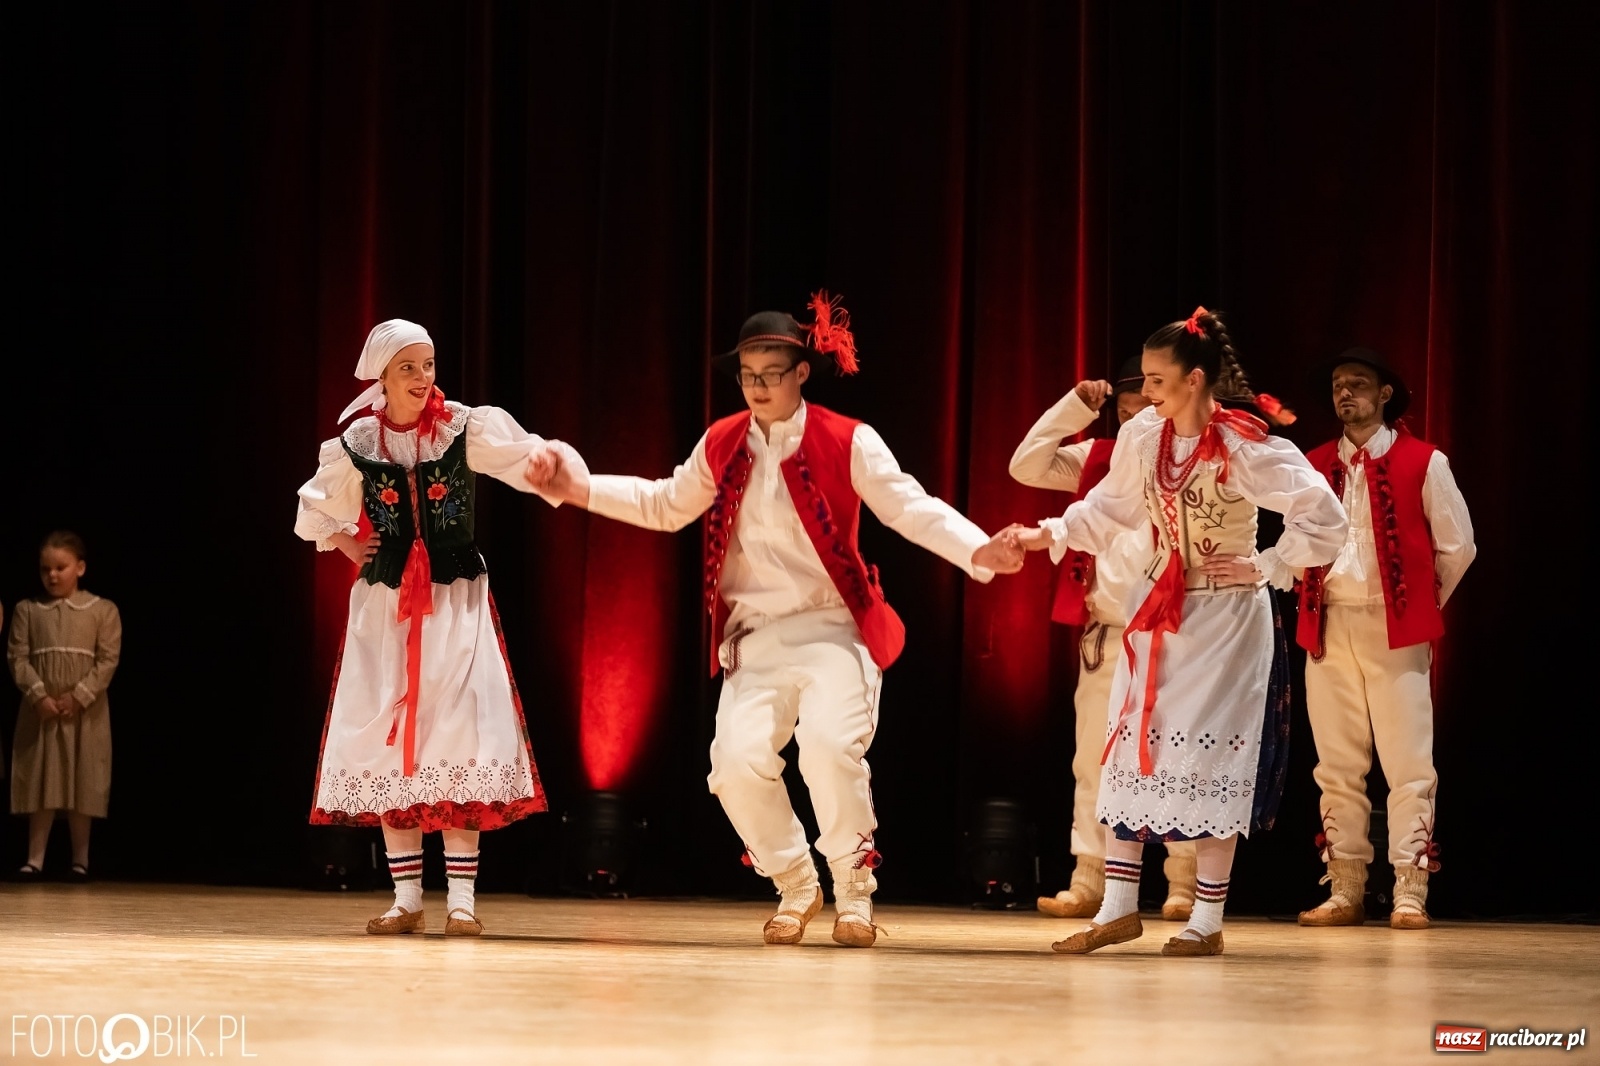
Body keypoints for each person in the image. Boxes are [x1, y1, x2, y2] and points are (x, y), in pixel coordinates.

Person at [529, 293, 1025, 947]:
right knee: (733, 764)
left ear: (801, 373)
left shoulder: (848, 441)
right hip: (757, 637)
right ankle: (795, 883)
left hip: (833, 630)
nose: (758, 387)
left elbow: (909, 507)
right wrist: (577, 486)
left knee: (826, 749)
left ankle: (853, 891)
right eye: (748, 375)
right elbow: (664, 504)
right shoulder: (723, 442)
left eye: (770, 373)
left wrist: (978, 550)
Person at [1015, 307, 1347, 956]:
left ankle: (1206, 920)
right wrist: (1043, 535)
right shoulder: (1144, 437)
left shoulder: (1245, 443)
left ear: (1195, 380)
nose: (1147, 393)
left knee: (1208, 760)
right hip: (1159, 607)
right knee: (1127, 747)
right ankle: (1117, 906)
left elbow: (1325, 518)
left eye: (1159, 381)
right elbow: (1107, 510)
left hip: (1226, 621)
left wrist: (1270, 562)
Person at [295, 319, 564, 936]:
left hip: (454, 598)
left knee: (458, 731)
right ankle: (408, 898)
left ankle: (463, 902)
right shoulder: (358, 441)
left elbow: (525, 458)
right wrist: (344, 542)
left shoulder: (462, 427)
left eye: (429, 365)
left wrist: (555, 466)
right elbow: (314, 507)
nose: (423, 378)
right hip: (386, 605)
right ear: (382, 376)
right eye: (409, 368)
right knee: (396, 738)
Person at [1009, 358, 1198, 922]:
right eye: (1126, 411)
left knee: (1178, 755)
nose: (1139, 420)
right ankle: (1089, 876)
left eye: (1150, 407)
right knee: (1094, 756)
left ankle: (1182, 880)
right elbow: (1025, 464)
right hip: (1109, 631)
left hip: (1176, 632)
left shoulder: (1191, 459)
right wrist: (1075, 407)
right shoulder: (1095, 461)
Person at [1295, 347, 1474, 930]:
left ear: (1385, 394)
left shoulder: (1425, 461)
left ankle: (1409, 890)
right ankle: (1345, 888)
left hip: (1393, 628)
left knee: (1407, 764)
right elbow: (1297, 543)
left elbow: (1458, 546)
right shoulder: (1314, 463)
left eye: (1357, 384)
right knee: (1337, 764)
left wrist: (1417, 604)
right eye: (1337, 385)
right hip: (1328, 625)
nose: (1345, 393)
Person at [9, 530, 122, 883]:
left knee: (82, 782)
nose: (52, 575)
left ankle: (80, 860)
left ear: (81, 568)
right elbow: (17, 656)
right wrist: (39, 695)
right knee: (42, 782)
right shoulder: (27, 610)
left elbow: (107, 659)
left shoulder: (103, 610)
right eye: (46, 569)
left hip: (84, 714)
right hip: (41, 712)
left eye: (61, 567)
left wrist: (80, 696)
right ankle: (35, 859)